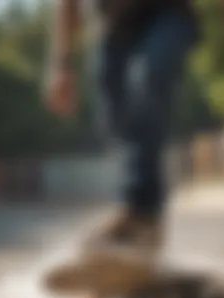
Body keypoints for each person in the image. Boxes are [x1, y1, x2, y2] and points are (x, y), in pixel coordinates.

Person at [45, 0, 199, 256]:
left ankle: (141, 209)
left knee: (151, 74)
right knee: (114, 120)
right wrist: (62, 65)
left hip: (169, 14)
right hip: (113, 27)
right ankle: (144, 221)